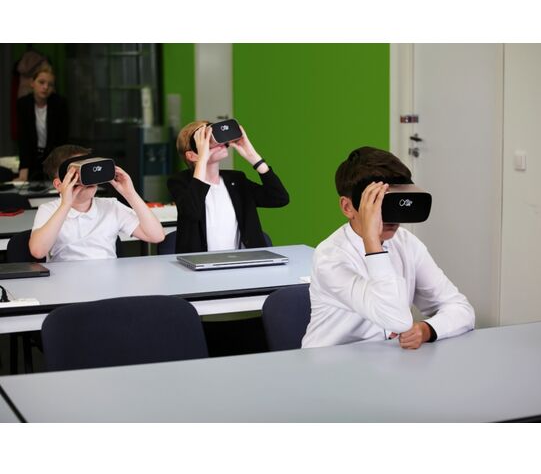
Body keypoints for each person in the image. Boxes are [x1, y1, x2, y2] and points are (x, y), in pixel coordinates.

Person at [302, 146, 475, 349]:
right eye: (377, 203)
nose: (392, 216)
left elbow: (462, 309)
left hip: (387, 361)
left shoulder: (406, 243)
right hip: (329, 362)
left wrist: (426, 329)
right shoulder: (330, 258)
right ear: (348, 207)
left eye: (395, 202)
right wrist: (372, 241)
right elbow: (396, 319)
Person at [167, 120, 289, 253]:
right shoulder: (180, 182)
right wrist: (202, 159)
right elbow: (192, 212)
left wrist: (254, 157)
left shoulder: (236, 180)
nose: (219, 143)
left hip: (245, 261)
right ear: (192, 155)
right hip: (200, 262)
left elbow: (279, 198)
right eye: (206, 141)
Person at [29, 145, 165, 262]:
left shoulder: (111, 206)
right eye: (77, 173)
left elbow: (156, 236)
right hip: (65, 281)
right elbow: (38, 251)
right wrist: (65, 205)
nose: (88, 177)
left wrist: (130, 194)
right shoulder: (49, 210)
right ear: (59, 185)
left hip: (108, 279)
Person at [17, 62, 69, 182]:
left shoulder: (59, 104)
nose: (45, 87)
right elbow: (23, 138)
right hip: (32, 157)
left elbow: (62, 139)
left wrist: (59, 169)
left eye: (50, 84)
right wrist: (23, 170)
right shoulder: (23, 104)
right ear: (32, 83)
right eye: (41, 82)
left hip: (53, 157)